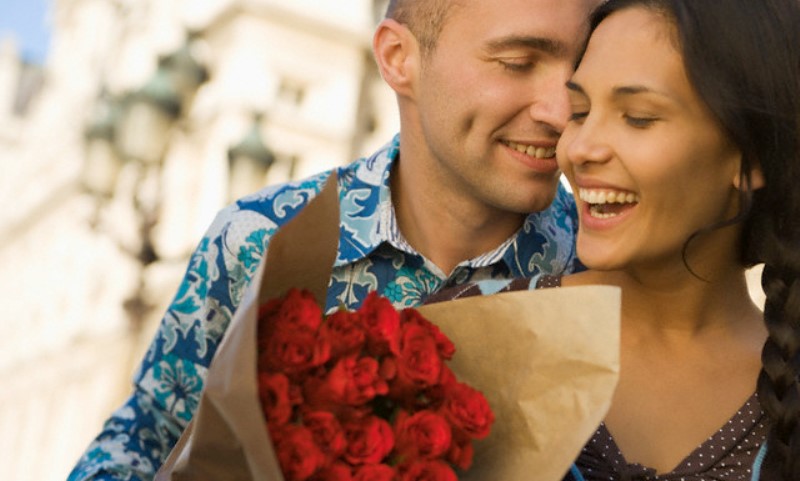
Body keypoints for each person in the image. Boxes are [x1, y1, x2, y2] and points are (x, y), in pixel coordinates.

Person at [67, 0, 602, 479]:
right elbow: (146, 439)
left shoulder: (606, 264)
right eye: (518, 63)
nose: (561, 111)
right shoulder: (258, 240)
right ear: (398, 58)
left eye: (580, 71)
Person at [430, 0, 800, 479]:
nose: (579, 149)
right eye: (580, 111)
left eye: (639, 118)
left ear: (751, 159)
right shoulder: (454, 336)